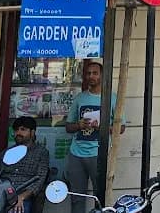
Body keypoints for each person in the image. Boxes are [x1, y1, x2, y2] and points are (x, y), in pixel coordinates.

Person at [65, 61, 123, 213]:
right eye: (88, 73)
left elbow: (121, 128)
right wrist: (79, 125)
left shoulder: (112, 97)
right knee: (77, 197)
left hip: (99, 154)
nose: (91, 76)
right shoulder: (80, 98)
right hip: (76, 154)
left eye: (95, 73)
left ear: (102, 76)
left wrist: (102, 127)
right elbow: (68, 127)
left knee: (100, 197)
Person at [0, 116, 49, 213]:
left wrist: (21, 197)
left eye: (23, 130)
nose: (19, 133)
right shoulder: (7, 152)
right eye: (16, 130)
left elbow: (39, 181)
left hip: (23, 195)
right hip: (1, 192)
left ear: (32, 132)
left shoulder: (41, 153)